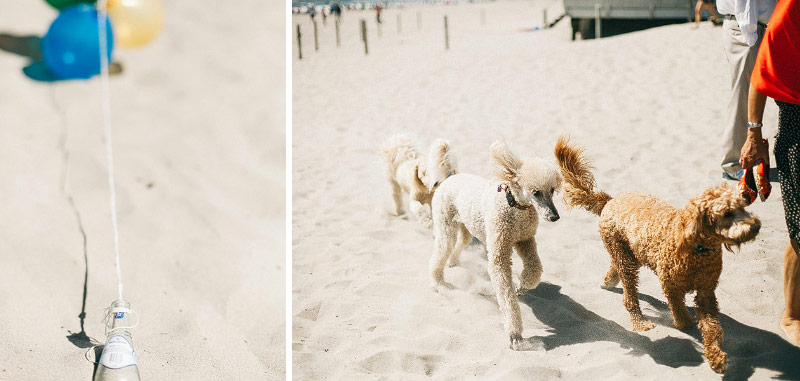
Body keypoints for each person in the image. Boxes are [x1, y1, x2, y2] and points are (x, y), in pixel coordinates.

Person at [740, 0, 800, 345]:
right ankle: (792, 312)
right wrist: (753, 134)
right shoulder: (791, 9)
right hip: (797, 124)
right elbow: (761, 73)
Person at [717, 0, 775, 180]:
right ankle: (733, 164)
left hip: (748, 28)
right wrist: (751, 36)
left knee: (744, 95)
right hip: (746, 30)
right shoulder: (749, 32)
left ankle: (736, 160)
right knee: (743, 96)